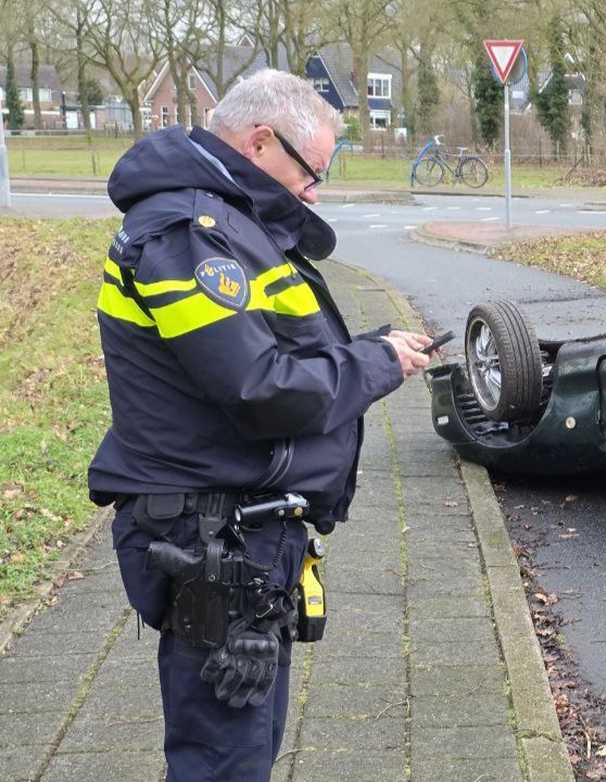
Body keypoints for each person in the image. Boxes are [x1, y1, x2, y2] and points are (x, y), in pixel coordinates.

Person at [88, 69, 431, 781]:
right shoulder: (188, 233)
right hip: (213, 540)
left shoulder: (227, 224)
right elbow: (256, 387)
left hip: (241, 529)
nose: (315, 191)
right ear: (261, 141)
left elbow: (264, 353)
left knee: (240, 751)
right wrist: (371, 366)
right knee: (224, 762)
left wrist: (369, 351)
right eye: (314, 172)